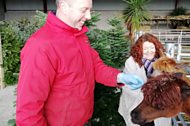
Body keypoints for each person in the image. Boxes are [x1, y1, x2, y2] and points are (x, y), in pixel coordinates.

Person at [16, 0, 144, 125]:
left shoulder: (79, 36)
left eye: (90, 10)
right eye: (83, 10)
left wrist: (119, 77)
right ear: (64, 6)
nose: (88, 16)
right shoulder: (40, 46)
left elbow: (95, 67)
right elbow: (28, 111)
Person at [118, 33, 172, 126]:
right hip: (138, 104)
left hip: (158, 107)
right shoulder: (131, 62)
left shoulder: (165, 61)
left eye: (152, 47)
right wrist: (150, 94)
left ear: (156, 47)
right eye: (145, 48)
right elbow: (128, 86)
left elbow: (171, 82)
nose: (149, 51)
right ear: (140, 49)